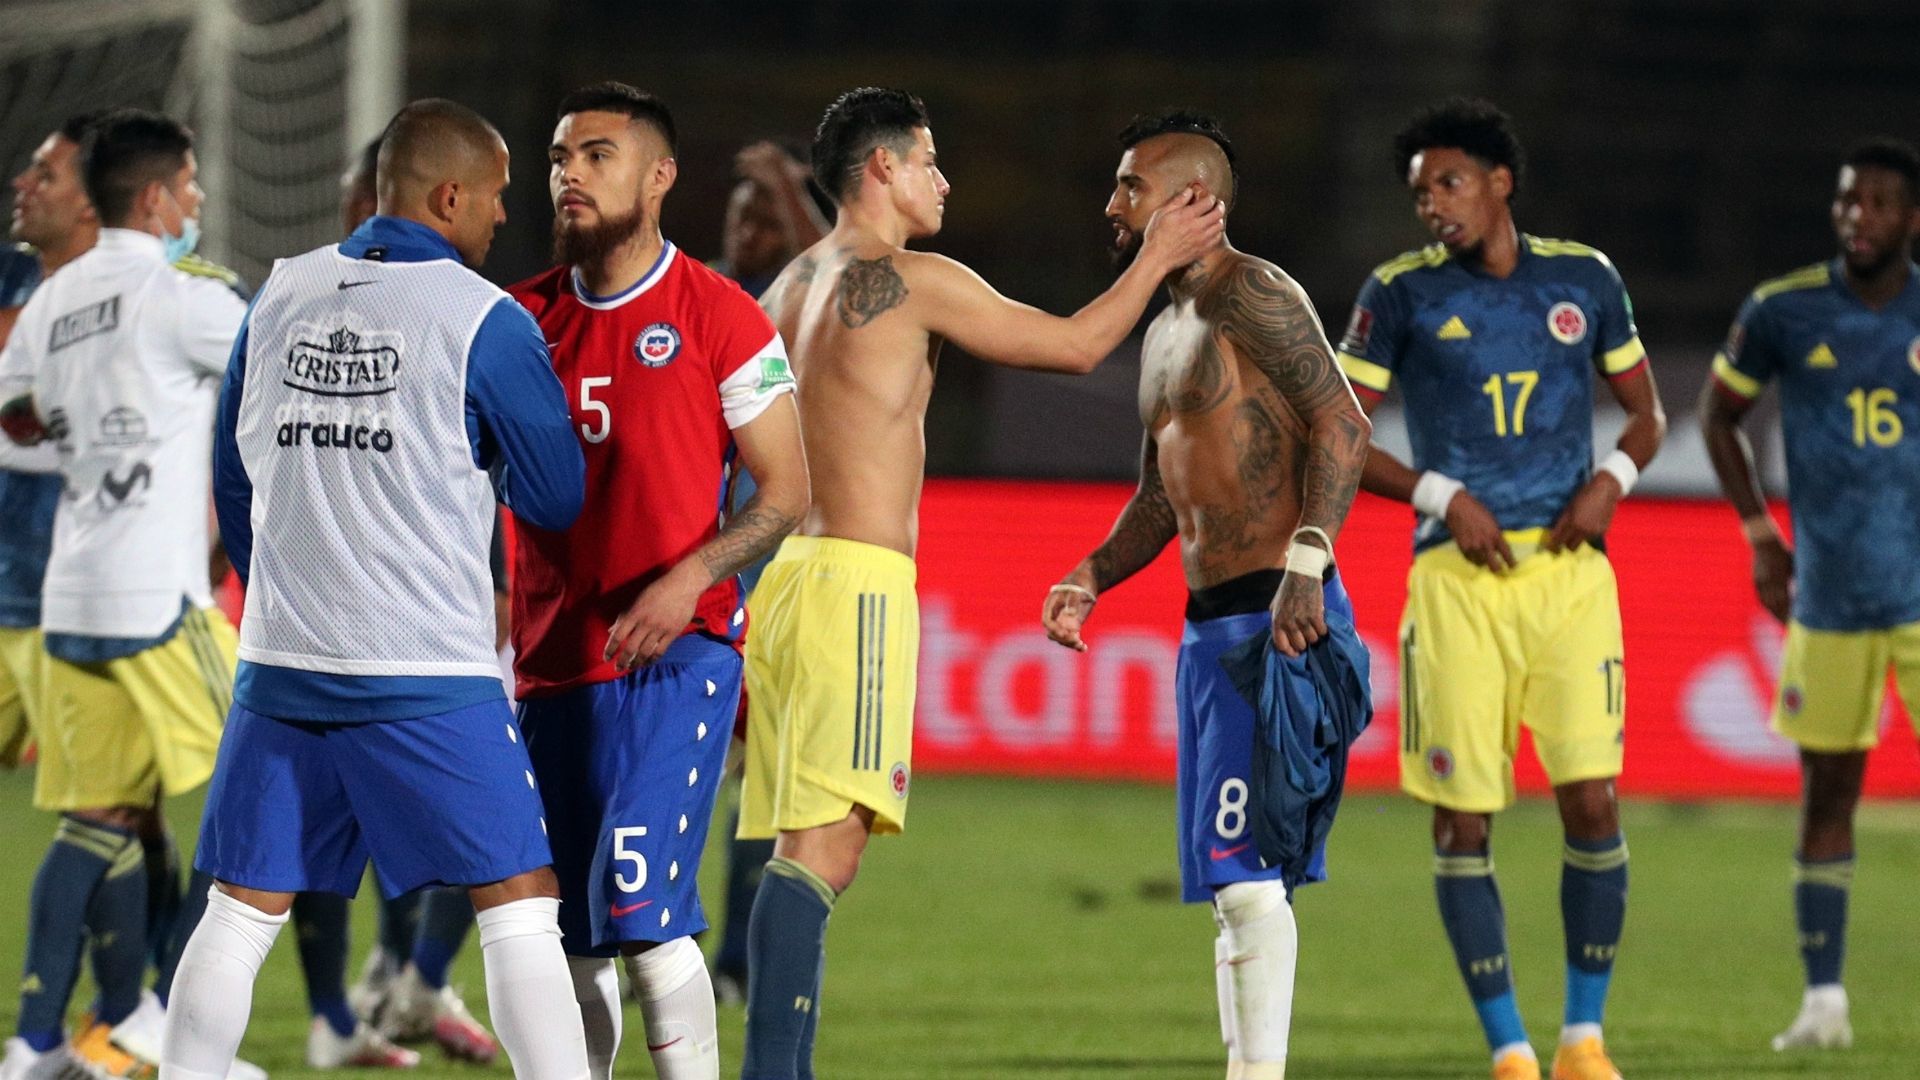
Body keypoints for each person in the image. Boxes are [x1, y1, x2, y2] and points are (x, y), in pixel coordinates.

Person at [740, 86, 1223, 1080]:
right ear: (881, 168)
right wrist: (1158, 257)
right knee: (821, 853)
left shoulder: (786, 284)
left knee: (807, 843)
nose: (943, 179)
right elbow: (1079, 344)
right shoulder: (911, 278)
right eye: (927, 160)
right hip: (854, 588)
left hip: (779, 580)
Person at [155, 97, 591, 1080]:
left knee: (236, 911)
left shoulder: (281, 293)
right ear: (447, 196)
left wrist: (285, 588)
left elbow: (236, 472)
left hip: (283, 663)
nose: (501, 218)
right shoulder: (485, 317)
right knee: (519, 902)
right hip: (427, 668)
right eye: (494, 198)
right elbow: (557, 496)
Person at [1333, 98, 1664, 1080]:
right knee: (1462, 819)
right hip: (1455, 581)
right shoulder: (1398, 294)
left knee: (1593, 803)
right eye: (1421, 192)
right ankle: (1510, 1049)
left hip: (1569, 577)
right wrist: (1442, 494)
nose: (1433, 205)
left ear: (1499, 182)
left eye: (1450, 183)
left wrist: (1611, 483)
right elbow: (1341, 438)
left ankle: (1583, 1041)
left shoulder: (1585, 278)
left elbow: (1645, 413)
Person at [1040, 110, 1372, 1080]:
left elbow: (1343, 426)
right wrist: (1091, 574)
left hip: (1280, 615)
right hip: (1209, 630)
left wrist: (1309, 561)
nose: (1112, 204)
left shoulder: (1256, 293)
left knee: (1245, 879)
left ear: (1194, 201)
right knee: (1245, 883)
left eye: (1130, 187)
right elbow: (1158, 496)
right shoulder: (1164, 327)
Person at [506, 81, 809, 1080]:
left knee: (640, 899)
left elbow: (787, 489)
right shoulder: (518, 324)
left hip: (679, 660)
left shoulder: (721, 317)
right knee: (575, 932)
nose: (571, 174)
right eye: (558, 158)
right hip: (554, 666)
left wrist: (689, 581)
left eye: (597, 154)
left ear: (660, 176)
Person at [0, 109, 250, 1080]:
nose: (195, 204)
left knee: (98, 818)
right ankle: (181, 1042)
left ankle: (33, 1048)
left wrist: (91, 447)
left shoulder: (54, 299)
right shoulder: (183, 293)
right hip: (159, 605)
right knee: (282, 785)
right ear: (154, 198)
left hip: (73, 599)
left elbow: (15, 413)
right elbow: (276, 379)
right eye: (188, 187)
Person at [1697, 137, 1920, 1054]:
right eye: (1844, 203)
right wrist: (1761, 534)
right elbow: (1718, 415)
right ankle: (1823, 1000)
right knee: (1827, 796)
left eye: (1875, 205)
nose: (1856, 219)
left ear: (1910, 218)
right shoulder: (1784, 311)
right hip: (1826, 600)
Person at [299, 135, 491, 1071]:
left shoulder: (456, 319)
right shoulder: (302, 306)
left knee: (413, 826)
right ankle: (361, 1001)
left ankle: (398, 980)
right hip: (337, 635)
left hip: (414, 627)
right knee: (325, 843)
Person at [707, 138, 828, 1006]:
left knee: (766, 781)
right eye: (737, 209)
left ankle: (738, 967)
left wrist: (790, 181)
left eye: (762, 215)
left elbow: (828, 255)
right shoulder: (703, 298)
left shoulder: (808, 303)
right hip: (701, 567)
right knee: (677, 767)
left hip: (777, 574)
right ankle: (641, 936)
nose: (741, 227)